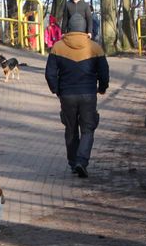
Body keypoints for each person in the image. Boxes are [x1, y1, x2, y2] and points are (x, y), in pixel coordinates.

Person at [44, 23, 109, 178]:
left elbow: (50, 73)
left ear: (69, 29)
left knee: (71, 128)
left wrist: (56, 90)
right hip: (88, 94)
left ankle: (73, 163)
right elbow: (104, 72)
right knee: (88, 128)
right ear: (85, 29)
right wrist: (102, 87)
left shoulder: (58, 47)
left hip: (67, 95)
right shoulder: (95, 47)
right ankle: (81, 160)